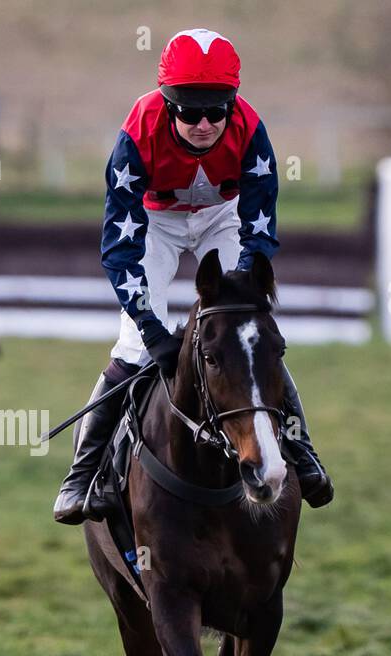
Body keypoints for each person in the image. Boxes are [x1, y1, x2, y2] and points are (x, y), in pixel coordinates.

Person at [53, 29, 334, 525]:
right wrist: (154, 330)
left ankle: (302, 451)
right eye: (188, 112)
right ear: (167, 104)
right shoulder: (137, 135)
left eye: (216, 111)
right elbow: (119, 250)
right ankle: (82, 474)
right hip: (154, 220)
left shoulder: (251, 130)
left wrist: (244, 284)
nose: (204, 124)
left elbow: (260, 228)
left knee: (248, 337)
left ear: (232, 104)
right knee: (133, 348)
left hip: (222, 216)